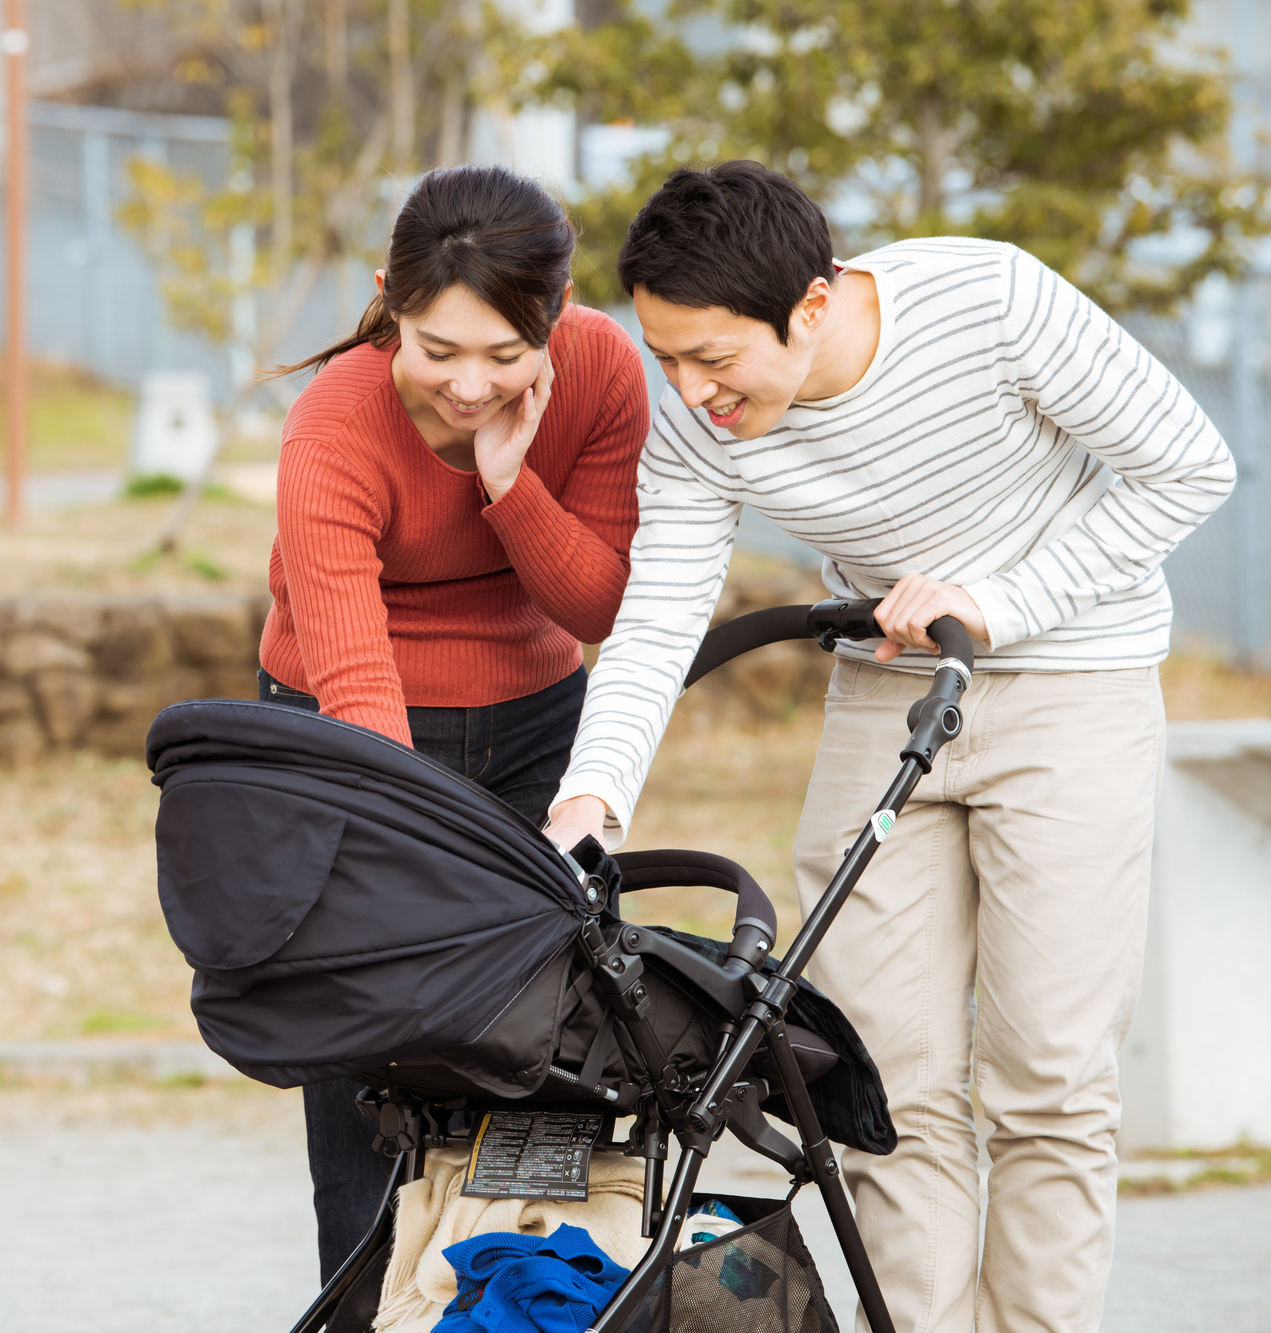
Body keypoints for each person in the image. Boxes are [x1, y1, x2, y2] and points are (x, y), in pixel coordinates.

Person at [544, 160, 1235, 1333]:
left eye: (713, 358)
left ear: (810, 306)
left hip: (1070, 681)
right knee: (875, 1082)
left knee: (1048, 1084)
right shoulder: (700, 417)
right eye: (665, 356)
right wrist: (592, 795)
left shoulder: (994, 306)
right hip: (885, 693)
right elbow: (661, 607)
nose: (689, 388)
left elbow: (1188, 466)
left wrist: (996, 597)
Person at [259, 162, 649, 1282]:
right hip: (352, 731)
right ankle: (362, 1295)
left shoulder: (601, 369)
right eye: (436, 350)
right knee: (364, 1046)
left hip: (536, 723)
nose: (469, 385)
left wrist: (508, 483)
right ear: (387, 297)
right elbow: (357, 684)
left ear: (556, 319)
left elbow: (598, 604)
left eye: (503, 353)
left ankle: (511, 1292)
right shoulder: (331, 426)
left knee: (530, 1038)